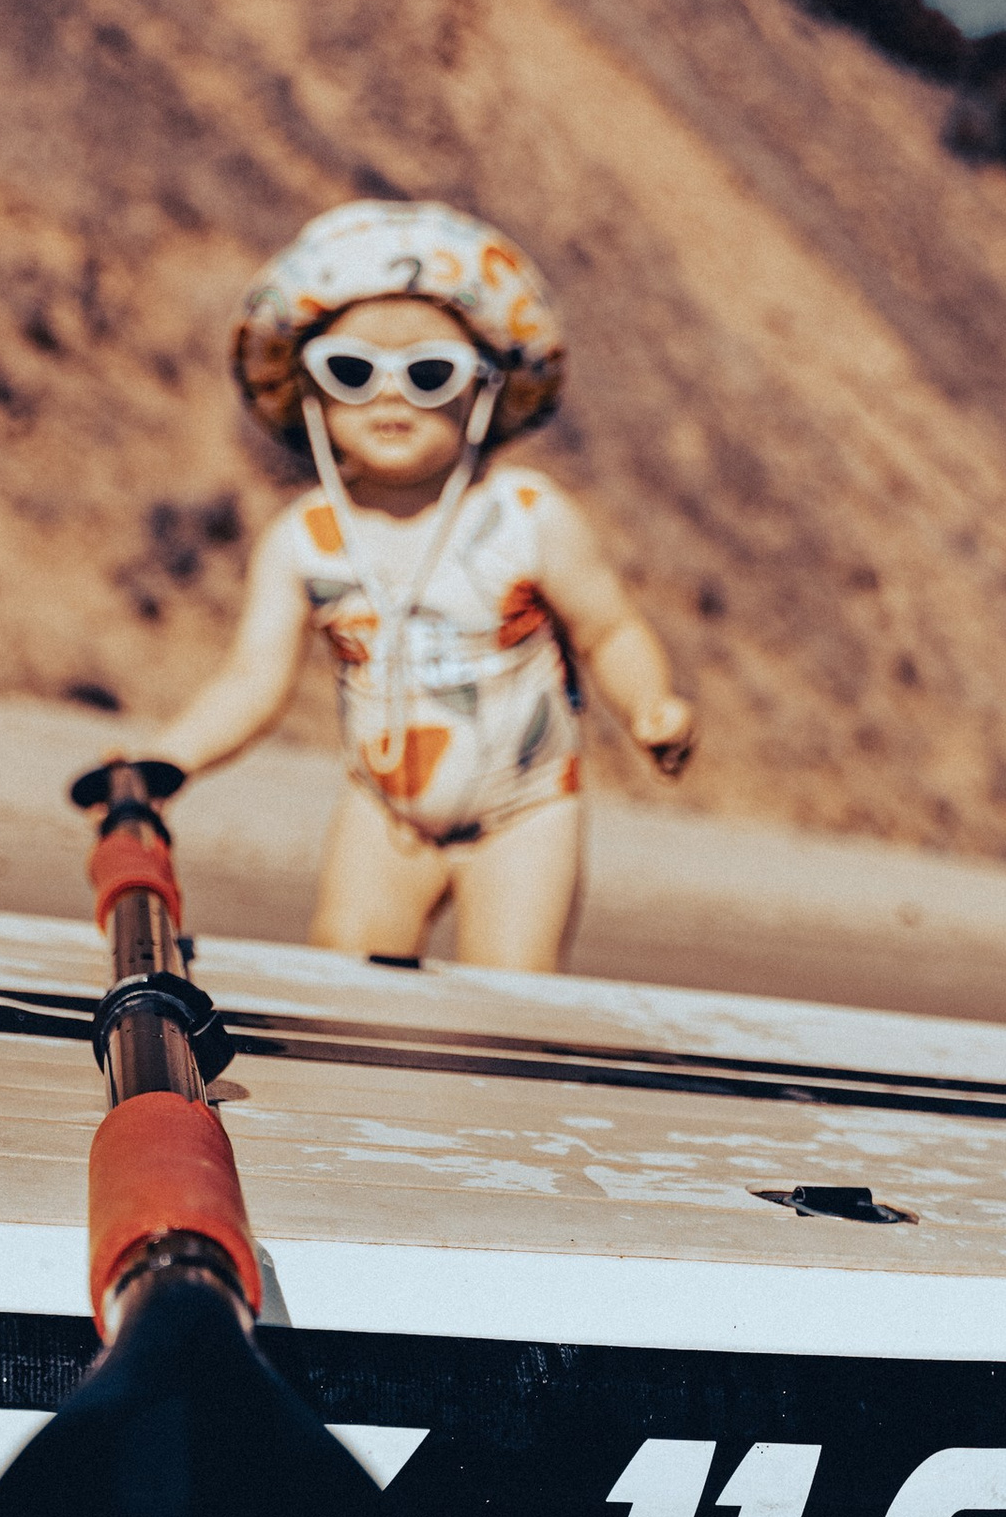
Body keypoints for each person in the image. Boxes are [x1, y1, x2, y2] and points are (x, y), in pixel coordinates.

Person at [158, 200, 695, 973]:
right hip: (386, 811)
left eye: (429, 373)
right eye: (351, 371)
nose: (390, 395)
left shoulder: (526, 516)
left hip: (525, 810)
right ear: (309, 392)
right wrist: (166, 758)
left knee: (509, 1002)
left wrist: (651, 704)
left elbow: (608, 629)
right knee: (345, 983)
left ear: (482, 391)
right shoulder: (307, 541)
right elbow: (252, 679)